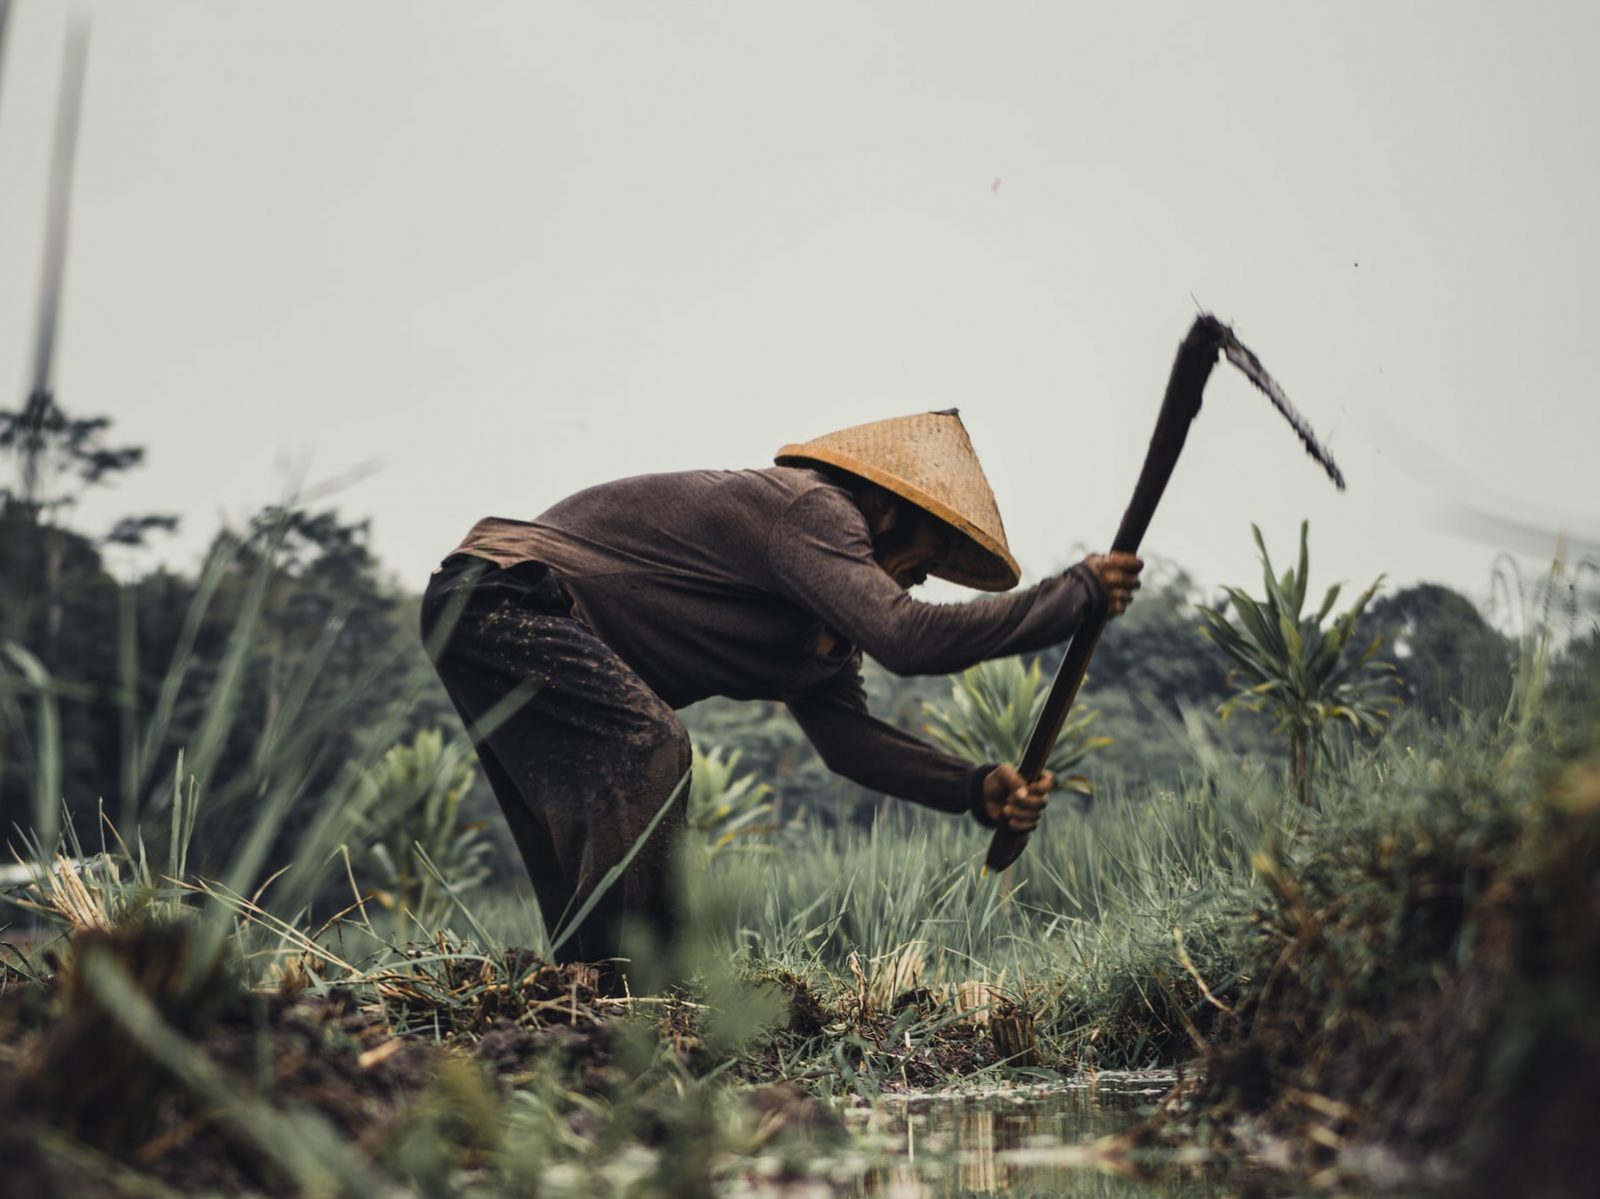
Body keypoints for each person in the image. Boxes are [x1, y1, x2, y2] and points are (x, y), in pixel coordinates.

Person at [420, 410, 1141, 980]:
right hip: (507, 593)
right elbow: (909, 640)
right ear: (884, 514)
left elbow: (849, 742)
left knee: (600, 829)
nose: (902, 584)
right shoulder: (813, 511)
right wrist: (1072, 596)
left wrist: (975, 787)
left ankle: (597, 1012)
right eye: (915, 566)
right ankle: (623, 1001)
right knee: (650, 746)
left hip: (491, 611)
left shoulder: (817, 632)